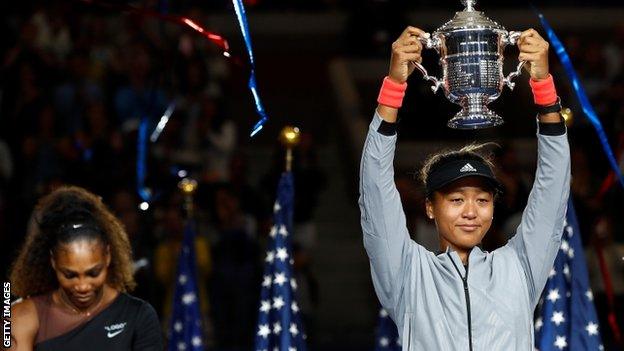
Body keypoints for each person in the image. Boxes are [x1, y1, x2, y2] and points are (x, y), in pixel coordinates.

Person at [359, 26, 570, 350]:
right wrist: (394, 86)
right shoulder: (407, 273)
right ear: (430, 206)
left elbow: (552, 189)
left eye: (482, 200)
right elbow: (375, 189)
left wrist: (543, 87)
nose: (471, 211)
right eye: (456, 199)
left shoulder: (520, 267)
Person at [7, 186, 163, 351]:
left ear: (108, 256)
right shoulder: (17, 317)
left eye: (93, 273)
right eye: (70, 275)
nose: (82, 286)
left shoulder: (138, 315)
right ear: (53, 261)